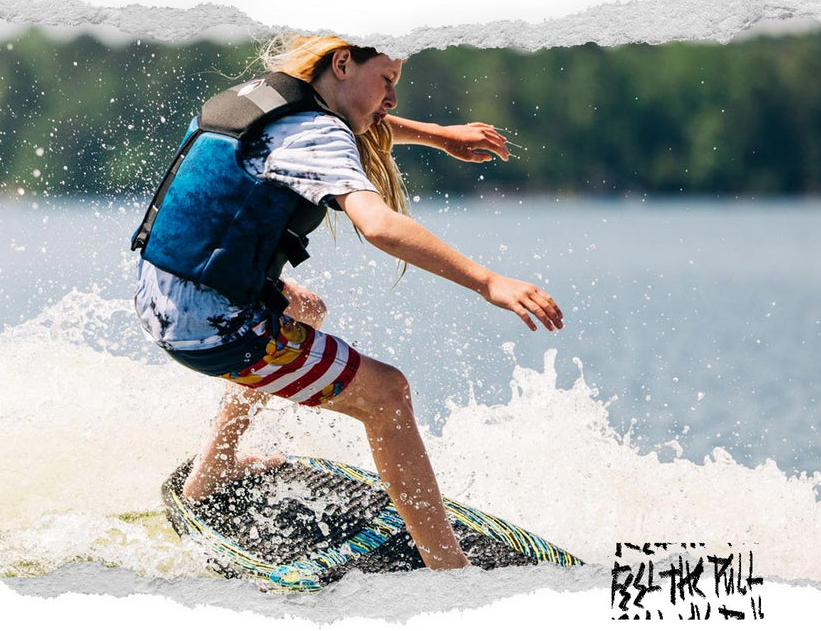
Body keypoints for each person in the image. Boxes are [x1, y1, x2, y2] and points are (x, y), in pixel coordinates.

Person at [130, 35, 563, 570]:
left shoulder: (259, 98)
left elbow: (362, 126)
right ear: (341, 64)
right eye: (387, 81)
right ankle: (451, 573)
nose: (393, 100)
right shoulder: (317, 134)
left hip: (162, 294)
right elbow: (379, 225)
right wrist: (488, 281)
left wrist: (439, 137)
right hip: (212, 327)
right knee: (388, 395)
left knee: (304, 310)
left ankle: (214, 467)